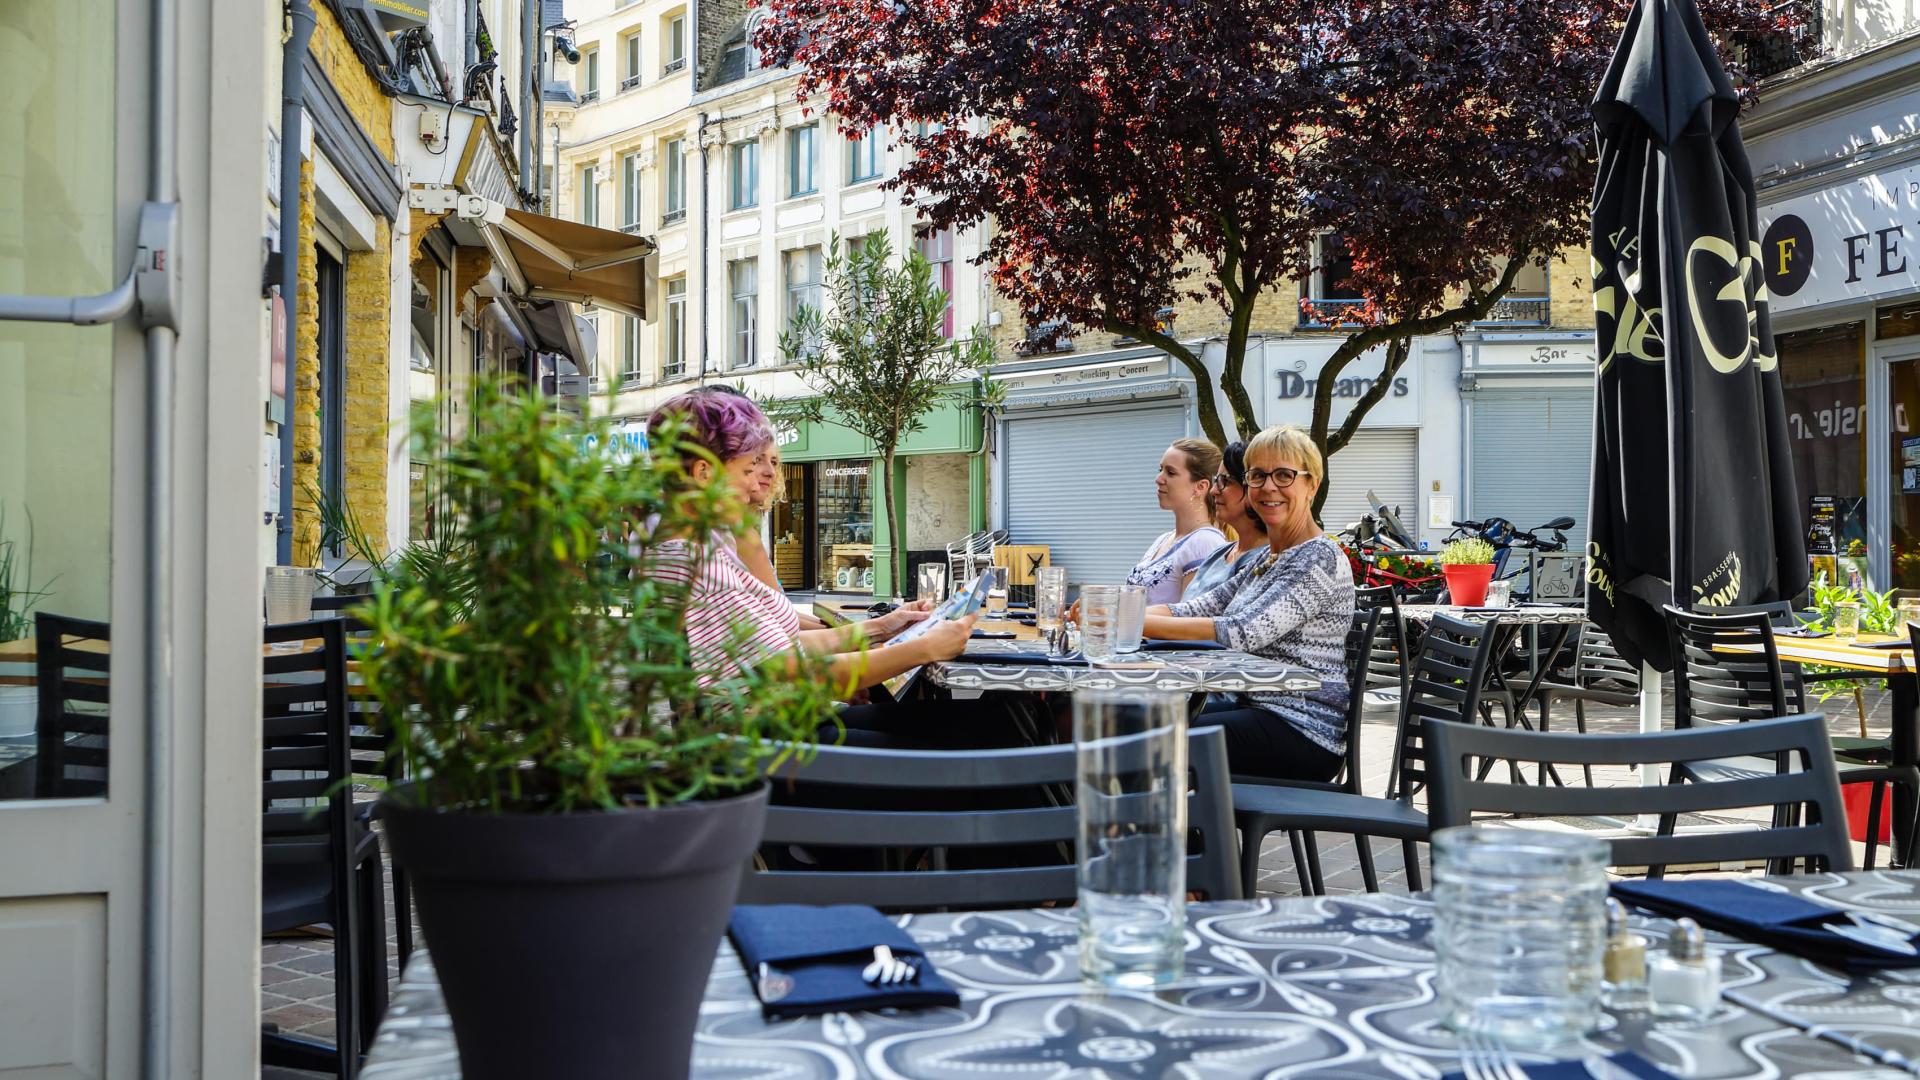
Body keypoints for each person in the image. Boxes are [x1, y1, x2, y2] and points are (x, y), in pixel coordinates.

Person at [647, 387, 1016, 748]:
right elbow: (798, 671)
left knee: (987, 723)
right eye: (749, 468)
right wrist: (924, 649)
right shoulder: (695, 561)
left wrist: (882, 627)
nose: (757, 485)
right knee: (990, 731)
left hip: (775, 736)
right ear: (704, 474)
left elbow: (780, 651)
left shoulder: (696, 549)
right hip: (768, 754)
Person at [1141, 425, 1354, 781]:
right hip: (1260, 711)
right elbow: (1193, 609)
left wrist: (1126, 621)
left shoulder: (1319, 557)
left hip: (1304, 730)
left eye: (1284, 475)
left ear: (1312, 485)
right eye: (1257, 476)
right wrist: (1116, 610)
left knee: (1155, 747)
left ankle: (1185, 837)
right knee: (1143, 726)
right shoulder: (1269, 557)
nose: (1269, 487)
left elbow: (1242, 632)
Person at [1126, 438, 1226, 606]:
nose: (1158, 479)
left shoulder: (1205, 543)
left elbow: (1187, 621)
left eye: (1170, 473)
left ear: (1201, 487)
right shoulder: (1163, 540)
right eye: (1160, 470)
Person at [1182, 440, 1269, 600]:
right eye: (1216, 481)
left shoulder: (1265, 562)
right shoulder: (1219, 554)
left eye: (1225, 481)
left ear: (1253, 485)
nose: (1214, 491)